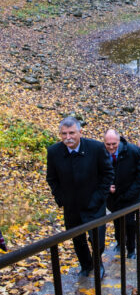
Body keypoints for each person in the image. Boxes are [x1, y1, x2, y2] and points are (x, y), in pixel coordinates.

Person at [46, 117, 114, 278]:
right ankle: (86, 265)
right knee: (77, 238)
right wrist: (62, 199)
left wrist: (98, 198)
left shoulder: (96, 148)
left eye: (71, 133)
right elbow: (52, 179)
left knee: (97, 238)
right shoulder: (54, 152)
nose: (68, 137)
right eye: (64, 133)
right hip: (71, 206)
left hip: (94, 204)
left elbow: (108, 174)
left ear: (80, 132)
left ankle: (98, 263)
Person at [104, 129, 140, 259]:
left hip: (130, 196)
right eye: (108, 144)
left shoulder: (133, 151)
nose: (111, 147)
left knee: (130, 222)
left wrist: (130, 193)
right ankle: (120, 242)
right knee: (117, 220)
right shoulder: (101, 153)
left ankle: (131, 249)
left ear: (119, 141)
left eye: (114, 144)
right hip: (113, 197)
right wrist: (107, 186)